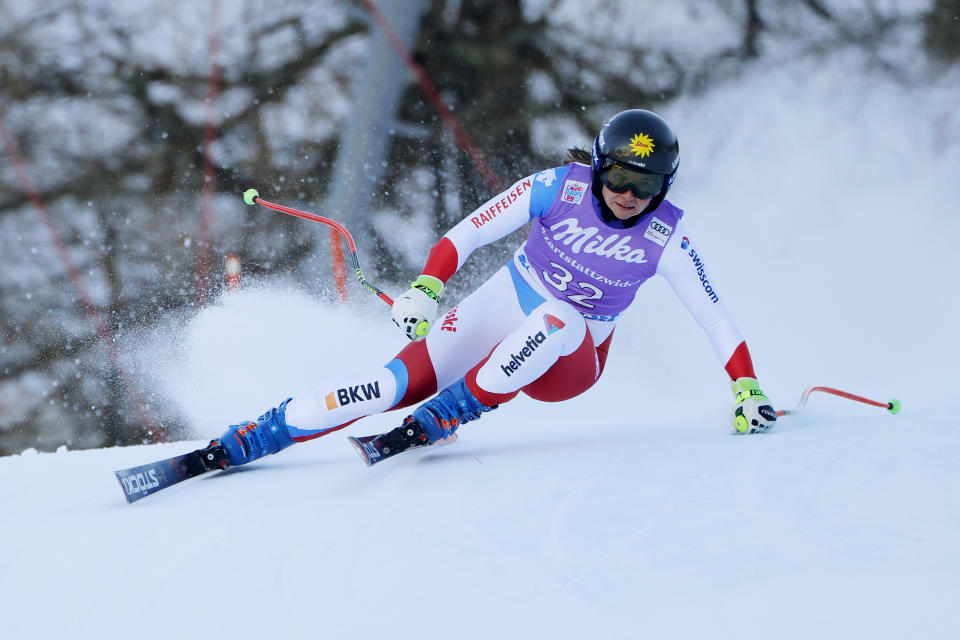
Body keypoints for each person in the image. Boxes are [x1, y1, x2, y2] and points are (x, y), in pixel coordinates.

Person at [216, 109, 777, 467]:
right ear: (600, 167)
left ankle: (447, 415)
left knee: (558, 317)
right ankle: (256, 436)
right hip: (504, 302)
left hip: (569, 358)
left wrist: (746, 390)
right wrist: (426, 289)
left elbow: (715, 318)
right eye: (620, 178)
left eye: (647, 184)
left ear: (666, 186)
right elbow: (468, 234)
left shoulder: (666, 234)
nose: (629, 194)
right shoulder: (556, 188)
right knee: (388, 386)